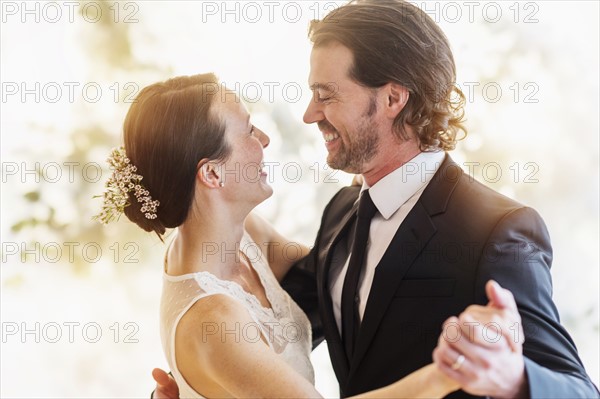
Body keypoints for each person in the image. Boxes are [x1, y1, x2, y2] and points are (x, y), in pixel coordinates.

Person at [152, 1, 599, 398]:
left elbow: (577, 388)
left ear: (392, 98)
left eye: (325, 95)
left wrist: (515, 379)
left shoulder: (496, 231)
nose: (310, 115)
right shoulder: (342, 213)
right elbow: (263, 330)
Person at [97, 73, 464, 398]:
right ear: (211, 174)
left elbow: (330, 275)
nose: (266, 139)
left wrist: (376, 181)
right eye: (248, 130)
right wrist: (451, 372)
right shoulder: (215, 319)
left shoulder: (242, 236)